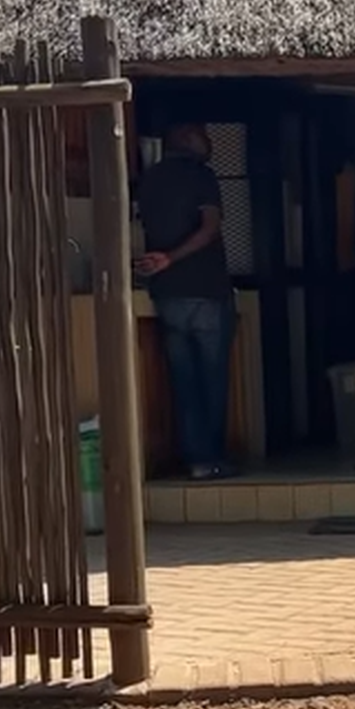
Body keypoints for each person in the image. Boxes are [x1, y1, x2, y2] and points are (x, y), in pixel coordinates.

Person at [136, 124, 236, 480]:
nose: (209, 143)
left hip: (167, 294)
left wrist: (158, 263)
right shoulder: (201, 176)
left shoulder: (149, 179)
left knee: (183, 381)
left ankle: (195, 460)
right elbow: (210, 228)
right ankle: (213, 459)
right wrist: (173, 257)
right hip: (205, 288)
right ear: (186, 141)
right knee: (213, 378)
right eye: (202, 136)